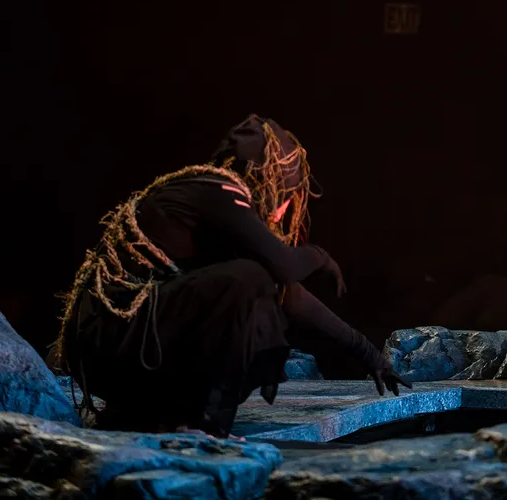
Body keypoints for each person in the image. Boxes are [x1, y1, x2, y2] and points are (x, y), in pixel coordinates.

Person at [53, 114, 410, 438]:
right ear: (270, 177)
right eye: (288, 197)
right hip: (114, 345)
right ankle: (205, 426)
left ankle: (157, 415)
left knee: (255, 286)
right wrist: (320, 256)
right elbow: (285, 267)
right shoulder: (218, 191)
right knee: (249, 280)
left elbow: (293, 297)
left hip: (119, 350)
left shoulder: (207, 198)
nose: (284, 211)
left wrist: (370, 356)